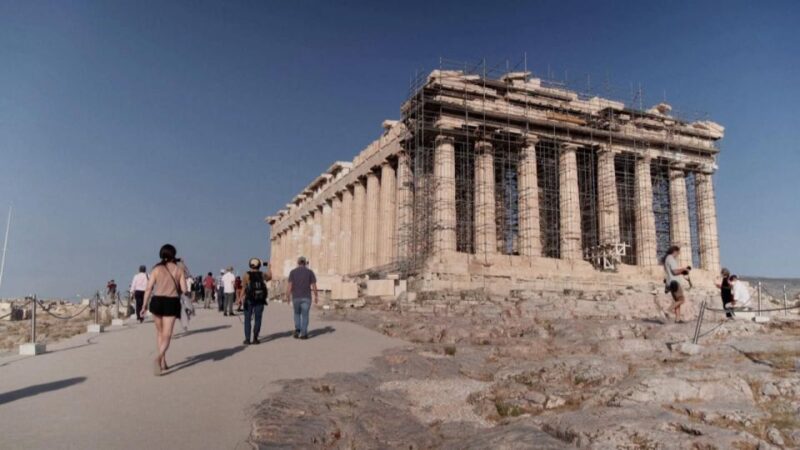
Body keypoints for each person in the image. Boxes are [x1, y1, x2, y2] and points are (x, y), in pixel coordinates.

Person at [140, 244, 186, 376]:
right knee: (167, 334)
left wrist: (143, 306)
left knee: (160, 333)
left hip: (157, 301)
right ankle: (159, 357)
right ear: (173, 255)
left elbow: (148, 288)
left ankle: (163, 362)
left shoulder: (156, 269)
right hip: (171, 301)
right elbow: (184, 289)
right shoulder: (178, 270)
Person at [242, 258, 272, 345]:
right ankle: (255, 338)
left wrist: (239, 299)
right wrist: (269, 267)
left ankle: (247, 339)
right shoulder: (262, 274)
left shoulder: (246, 275)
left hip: (249, 299)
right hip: (260, 299)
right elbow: (269, 278)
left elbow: (243, 288)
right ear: (259, 265)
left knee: (247, 319)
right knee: (258, 319)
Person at [286, 256, 318, 339]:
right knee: (305, 315)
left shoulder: (293, 272)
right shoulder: (310, 272)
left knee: (296, 313)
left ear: (298, 263)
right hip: (306, 297)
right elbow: (314, 285)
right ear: (305, 263)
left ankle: (297, 330)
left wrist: (288, 296)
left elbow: (290, 285)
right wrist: (316, 296)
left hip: (296, 297)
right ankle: (303, 334)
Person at [663, 246, 691, 322]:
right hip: (674, 282)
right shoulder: (671, 259)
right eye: (678, 253)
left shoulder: (666, 259)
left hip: (670, 283)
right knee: (682, 300)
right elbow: (674, 272)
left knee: (677, 300)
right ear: (675, 251)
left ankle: (677, 319)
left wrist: (682, 272)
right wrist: (683, 269)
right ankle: (667, 310)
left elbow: (671, 272)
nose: (678, 255)